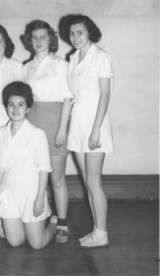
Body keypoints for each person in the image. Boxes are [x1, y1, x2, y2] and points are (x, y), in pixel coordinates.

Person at [21, 20, 73, 243]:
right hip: (33, 122)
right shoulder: (26, 67)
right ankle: (41, 214)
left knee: (57, 179)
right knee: (34, 175)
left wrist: (62, 129)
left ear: (50, 39)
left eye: (43, 37)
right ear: (29, 40)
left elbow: (68, 99)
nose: (39, 41)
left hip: (55, 122)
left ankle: (62, 223)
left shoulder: (61, 64)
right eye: (35, 37)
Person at [66, 15, 114, 248]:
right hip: (78, 122)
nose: (75, 37)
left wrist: (96, 130)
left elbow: (105, 95)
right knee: (87, 182)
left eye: (80, 32)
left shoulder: (101, 56)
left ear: (89, 33)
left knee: (94, 182)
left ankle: (102, 232)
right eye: (72, 33)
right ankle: (96, 230)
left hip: (95, 122)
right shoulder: (73, 58)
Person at [0, 81, 56, 249]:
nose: (15, 109)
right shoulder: (0, 133)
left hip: (31, 192)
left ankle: (53, 223)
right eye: (11, 104)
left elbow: (44, 169)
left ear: (28, 108)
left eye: (21, 105)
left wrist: (39, 199)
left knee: (37, 244)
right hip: (9, 192)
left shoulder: (37, 134)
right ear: (6, 107)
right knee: (15, 242)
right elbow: (0, 167)